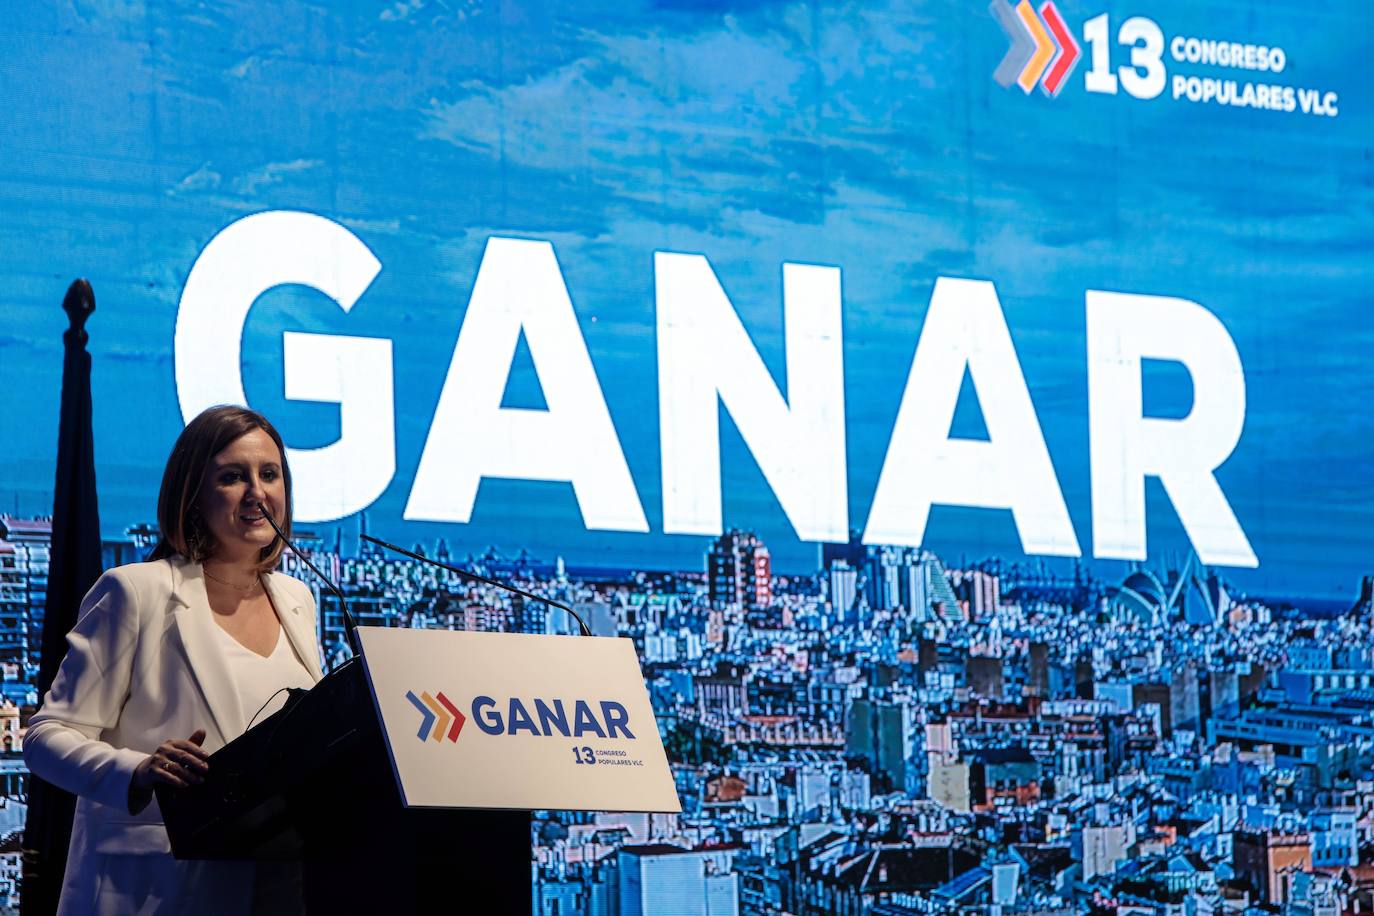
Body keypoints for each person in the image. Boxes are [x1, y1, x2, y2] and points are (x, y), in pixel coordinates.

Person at [24, 406, 324, 915]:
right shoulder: (136, 592)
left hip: (278, 884)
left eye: (269, 474)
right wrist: (137, 770)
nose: (257, 493)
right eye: (233, 476)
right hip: (158, 889)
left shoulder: (297, 599)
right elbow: (45, 736)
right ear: (193, 494)